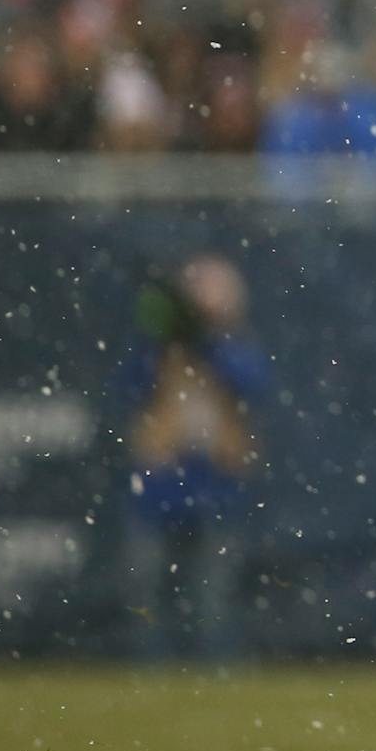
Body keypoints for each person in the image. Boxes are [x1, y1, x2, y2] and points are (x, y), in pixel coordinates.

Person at [118, 253, 270, 659]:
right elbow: (134, 394)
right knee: (148, 584)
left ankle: (214, 664)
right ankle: (150, 666)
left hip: (215, 481)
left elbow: (251, 385)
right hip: (161, 480)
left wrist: (205, 342)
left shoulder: (235, 350)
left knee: (213, 589)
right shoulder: (156, 352)